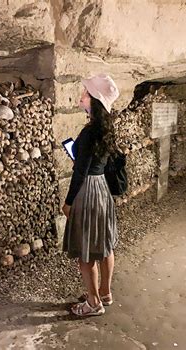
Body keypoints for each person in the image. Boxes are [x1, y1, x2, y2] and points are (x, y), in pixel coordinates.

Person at [62, 73, 120, 316]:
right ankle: (105, 293)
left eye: (85, 94)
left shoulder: (88, 133)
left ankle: (93, 304)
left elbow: (80, 172)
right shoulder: (105, 129)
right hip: (102, 191)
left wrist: (68, 201)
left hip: (88, 191)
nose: (80, 98)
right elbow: (103, 165)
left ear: (94, 100)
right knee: (104, 246)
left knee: (86, 253)